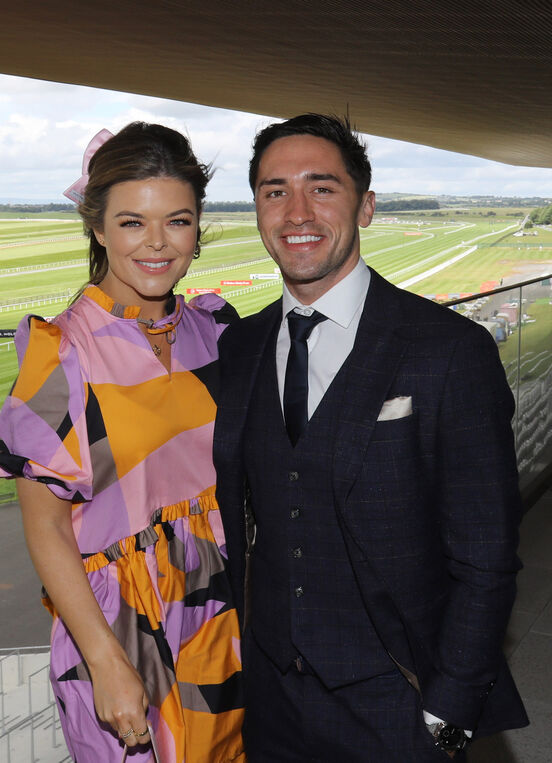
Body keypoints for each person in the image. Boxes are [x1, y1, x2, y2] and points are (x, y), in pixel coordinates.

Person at [213, 113, 528, 760]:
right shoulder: (239, 345)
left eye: (322, 187)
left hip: (400, 703)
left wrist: (450, 711)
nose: (297, 210)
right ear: (257, 210)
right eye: (275, 191)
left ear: (367, 207)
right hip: (270, 704)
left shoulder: (449, 351)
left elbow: (486, 556)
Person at [0, 122, 245, 762]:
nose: (156, 244)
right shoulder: (61, 353)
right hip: (124, 629)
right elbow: (45, 527)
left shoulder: (218, 331)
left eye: (177, 221)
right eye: (132, 223)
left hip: (229, 613)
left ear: (198, 227)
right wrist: (105, 663)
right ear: (98, 228)